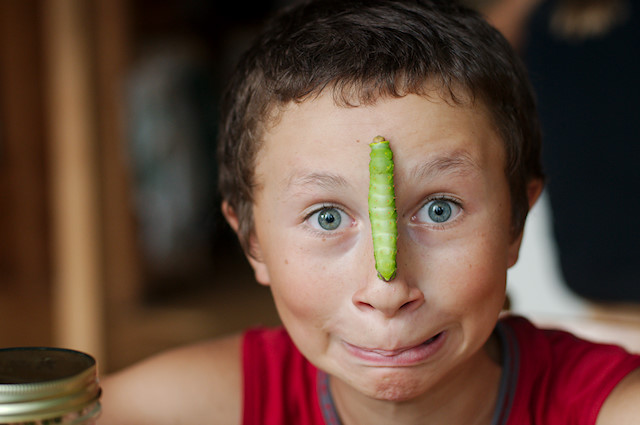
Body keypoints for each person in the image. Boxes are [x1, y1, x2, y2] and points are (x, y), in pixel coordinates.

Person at [99, 1, 640, 423]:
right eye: (327, 217)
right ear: (253, 243)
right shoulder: (213, 403)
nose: (387, 290)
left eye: (439, 208)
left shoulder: (599, 405)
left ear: (515, 225)